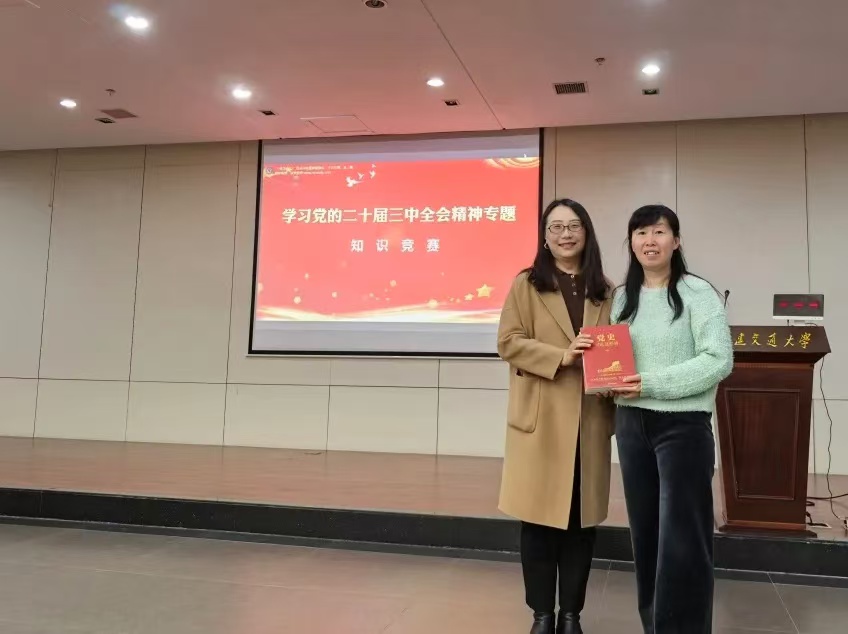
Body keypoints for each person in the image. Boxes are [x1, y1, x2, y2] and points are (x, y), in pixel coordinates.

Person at [611, 204, 733, 634]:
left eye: (659, 231)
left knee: (684, 538)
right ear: (631, 242)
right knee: (644, 535)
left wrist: (650, 383)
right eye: (641, 232)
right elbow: (612, 360)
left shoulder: (698, 293)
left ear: (676, 241)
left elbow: (718, 360)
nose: (650, 240)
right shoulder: (622, 298)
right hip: (631, 425)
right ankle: (655, 625)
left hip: (683, 427)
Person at [497, 198, 616, 634]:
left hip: (589, 420)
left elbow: (618, 348)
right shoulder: (526, 284)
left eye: (574, 226)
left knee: (581, 525)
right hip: (541, 420)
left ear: (587, 233)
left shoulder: (606, 290)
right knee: (538, 523)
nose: (566, 234)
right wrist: (560, 356)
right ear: (545, 237)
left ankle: (571, 616)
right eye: (556, 227)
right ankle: (542, 616)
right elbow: (508, 341)